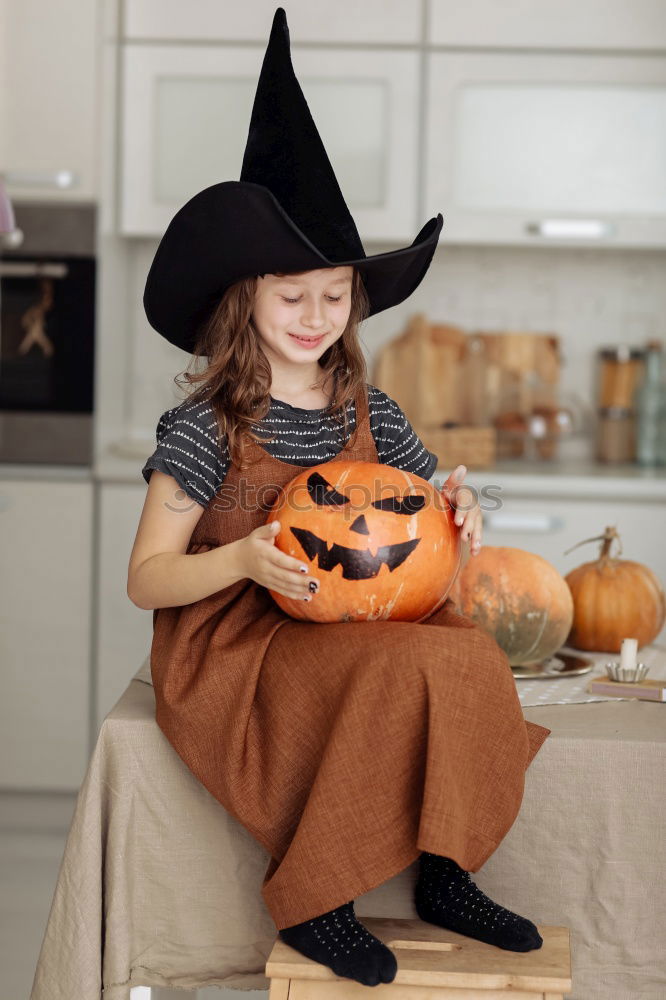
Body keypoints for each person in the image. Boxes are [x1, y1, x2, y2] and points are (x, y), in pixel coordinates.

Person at [127, 7, 552, 990]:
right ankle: (316, 891)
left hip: (350, 617)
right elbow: (146, 580)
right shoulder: (204, 427)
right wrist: (241, 556)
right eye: (292, 295)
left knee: (468, 652)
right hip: (238, 638)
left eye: (335, 294)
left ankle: (449, 867)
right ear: (244, 299)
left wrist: (462, 502)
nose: (317, 317)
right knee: (388, 669)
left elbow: (425, 496)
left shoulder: (370, 404)